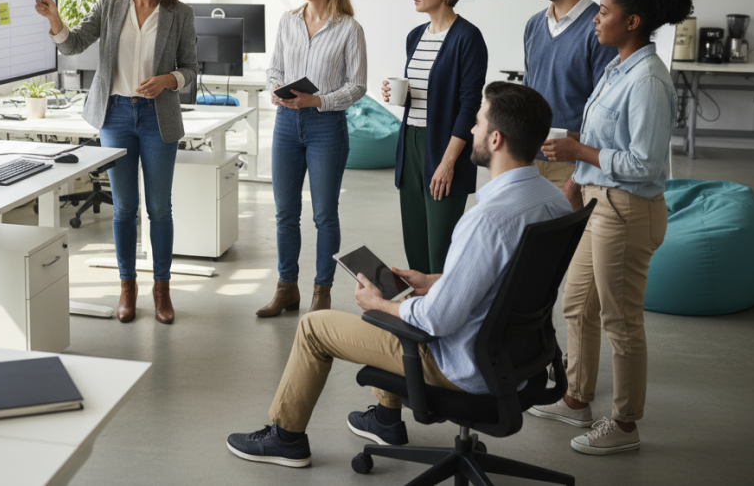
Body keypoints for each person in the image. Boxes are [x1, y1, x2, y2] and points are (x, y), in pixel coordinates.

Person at [227, 83, 571, 467]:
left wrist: (378, 304)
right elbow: (506, 278)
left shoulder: (486, 220)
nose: (471, 129)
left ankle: (286, 438)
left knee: (317, 327)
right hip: (519, 357)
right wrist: (434, 281)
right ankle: (385, 419)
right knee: (402, 298)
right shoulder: (552, 200)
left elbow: (436, 320)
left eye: (477, 123)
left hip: (464, 365)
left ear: (495, 139)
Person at [531, 0, 694, 455]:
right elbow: (600, 137)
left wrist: (579, 155)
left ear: (633, 21)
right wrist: (576, 173)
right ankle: (576, 398)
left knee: (621, 322)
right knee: (577, 304)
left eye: (603, 12)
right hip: (598, 203)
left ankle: (625, 424)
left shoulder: (648, 80)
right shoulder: (617, 67)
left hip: (627, 211)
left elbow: (644, 163)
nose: (595, 19)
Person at [34, 0, 198, 325]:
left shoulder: (179, 13)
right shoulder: (111, 1)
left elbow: (191, 70)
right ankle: (127, 287)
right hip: (116, 115)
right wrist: (54, 19)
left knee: (159, 208)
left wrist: (167, 80)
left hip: (158, 117)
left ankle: (162, 289)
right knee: (124, 208)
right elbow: (74, 45)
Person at [257, 0, 367, 318]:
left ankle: (323, 291)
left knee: (324, 215)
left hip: (326, 128)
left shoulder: (349, 29)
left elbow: (357, 86)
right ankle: (286, 288)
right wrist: (276, 89)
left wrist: (317, 101)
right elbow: (274, 68)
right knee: (285, 213)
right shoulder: (288, 21)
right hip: (286, 125)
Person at [382, 0, 487, 274]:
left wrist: (448, 162)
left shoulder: (467, 37)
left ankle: (442, 304)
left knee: (439, 248)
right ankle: (419, 304)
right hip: (410, 144)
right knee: (414, 243)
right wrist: (398, 95)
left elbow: (469, 106)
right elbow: (428, 94)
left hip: (445, 146)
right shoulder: (415, 36)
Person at [524, 0, 617, 210]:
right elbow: (528, 95)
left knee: (568, 240)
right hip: (528, 162)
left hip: (573, 168)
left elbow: (607, 117)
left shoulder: (600, 30)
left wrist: (575, 180)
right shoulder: (533, 25)